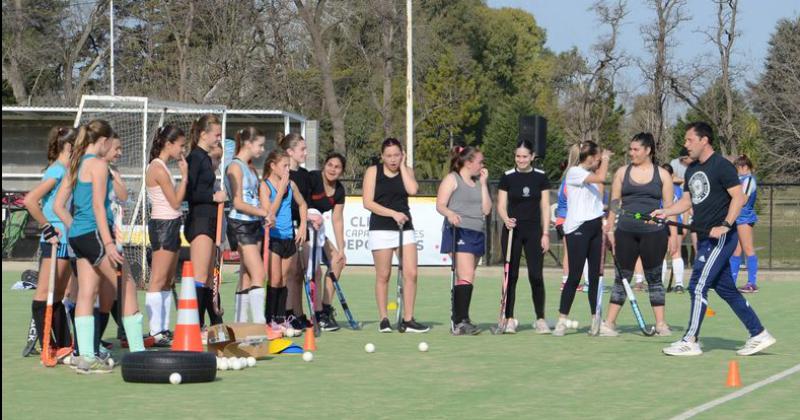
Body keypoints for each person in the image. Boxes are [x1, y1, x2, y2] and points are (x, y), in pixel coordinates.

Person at [655, 122, 775, 356]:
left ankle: (690, 340)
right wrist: (665, 212)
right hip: (705, 236)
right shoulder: (690, 170)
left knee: (697, 286)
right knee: (726, 290)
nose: (685, 144)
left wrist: (725, 225)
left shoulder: (722, 166)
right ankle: (759, 333)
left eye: (689, 140)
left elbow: (738, 198)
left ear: (704, 140)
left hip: (721, 237)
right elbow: (687, 201)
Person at [53, 120, 146, 374]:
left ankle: (86, 357)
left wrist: (76, 229)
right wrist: (107, 242)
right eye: (112, 144)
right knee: (126, 285)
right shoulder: (99, 165)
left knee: (87, 292)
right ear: (103, 141)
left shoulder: (76, 163)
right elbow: (97, 206)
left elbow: (58, 206)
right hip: (95, 235)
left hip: (79, 237)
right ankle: (138, 355)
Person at [602, 133, 677, 337]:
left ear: (648, 151)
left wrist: (674, 236)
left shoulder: (662, 175)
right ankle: (609, 323)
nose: (631, 153)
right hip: (625, 232)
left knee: (654, 278)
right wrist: (609, 229)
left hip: (654, 233)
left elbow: (669, 207)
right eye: (631, 149)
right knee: (622, 277)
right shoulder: (621, 172)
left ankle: (661, 324)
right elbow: (615, 202)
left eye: (636, 149)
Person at [363, 138, 429, 333]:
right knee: (384, 275)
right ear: (382, 156)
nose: (393, 159)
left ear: (402, 155)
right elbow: (368, 202)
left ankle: (408, 319)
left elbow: (413, 190)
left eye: (396, 155)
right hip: (381, 228)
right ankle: (384, 319)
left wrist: (404, 166)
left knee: (411, 273)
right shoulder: (373, 172)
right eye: (389, 155)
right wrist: (392, 213)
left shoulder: (406, 171)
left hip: (405, 228)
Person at [23, 126, 78, 358]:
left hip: (66, 239)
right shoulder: (56, 172)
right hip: (55, 241)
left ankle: (63, 344)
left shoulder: (68, 170)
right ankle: (47, 344)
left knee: (57, 295)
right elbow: (30, 200)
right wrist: (46, 226)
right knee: (45, 292)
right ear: (69, 146)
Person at [554, 141, 612, 336]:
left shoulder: (590, 180)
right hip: (577, 229)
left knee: (595, 276)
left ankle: (596, 319)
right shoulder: (574, 172)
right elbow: (602, 177)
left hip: (595, 227)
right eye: (597, 157)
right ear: (591, 157)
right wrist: (606, 159)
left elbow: (597, 199)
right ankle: (561, 320)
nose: (599, 160)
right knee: (574, 276)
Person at [496, 141, 551, 334]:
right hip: (512, 232)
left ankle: (540, 318)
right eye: (518, 156)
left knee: (536, 275)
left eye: (525, 156)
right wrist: (505, 219)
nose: (521, 160)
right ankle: (509, 318)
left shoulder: (541, 177)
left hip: (534, 231)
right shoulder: (507, 177)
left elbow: (545, 206)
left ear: (532, 156)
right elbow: (501, 205)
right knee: (511, 276)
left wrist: (545, 233)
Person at [437, 146, 492, 335]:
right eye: (480, 162)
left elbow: (486, 210)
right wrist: (450, 213)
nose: (482, 165)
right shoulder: (452, 179)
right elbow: (440, 205)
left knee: (468, 277)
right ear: (468, 163)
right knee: (466, 275)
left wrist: (484, 184)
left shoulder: (479, 182)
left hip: (477, 233)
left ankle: (461, 317)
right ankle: (460, 320)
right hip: (458, 231)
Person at [143, 125, 188, 346]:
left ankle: (163, 329)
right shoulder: (157, 168)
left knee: (168, 281)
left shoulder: (163, 167)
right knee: (158, 279)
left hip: (172, 224)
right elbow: (176, 201)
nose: (183, 150)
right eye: (180, 145)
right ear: (168, 144)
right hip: (162, 225)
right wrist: (185, 177)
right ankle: (156, 331)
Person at [184, 115, 226, 327]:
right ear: (203, 134)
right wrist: (212, 197)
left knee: (210, 276)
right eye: (216, 134)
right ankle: (196, 325)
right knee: (200, 275)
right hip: (199, 220)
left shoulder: (205, 158)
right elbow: (188, 192)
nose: (219, 138)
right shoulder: (195, 158)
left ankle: (215, 322)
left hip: (209, 220)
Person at [226, 127, 270, 324]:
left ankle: (240, 326)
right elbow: (238, 202)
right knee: (259, 274)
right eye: (259, 145)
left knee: (247, 275)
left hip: (253, 223)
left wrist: (263, 212)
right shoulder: (235, 167)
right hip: (240, 224)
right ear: (248, 144)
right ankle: (259, 326)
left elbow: (253, 199)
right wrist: (263, 212)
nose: (262, 150)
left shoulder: (251, 167)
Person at [263, 150, 308, 332]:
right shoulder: (265, 187)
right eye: (284, 166)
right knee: (274, 279)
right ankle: (270, 318)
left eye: (289, 166)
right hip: (274, 238)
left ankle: (281, 318)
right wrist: (280, 191)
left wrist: (303, 224)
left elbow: (303, 204)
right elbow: (269, 213)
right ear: (273, 167)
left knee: (285, 278)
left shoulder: (292, 185)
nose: (288, 169)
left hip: (289, 237)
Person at [308, 153, 349, 331]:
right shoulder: (313, 179)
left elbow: (337, 219)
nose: (333, 169)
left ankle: (324, 310)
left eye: (337, 167)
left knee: (338, 262)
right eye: (330, 165)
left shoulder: (339, 190)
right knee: (312, 270)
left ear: (342, 171)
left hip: (319, 230)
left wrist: (341, 248)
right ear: (324, 165)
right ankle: (307, 312)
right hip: (302, 226)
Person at [279, 133, 314, 332]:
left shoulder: (305, 175)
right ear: (290, 152)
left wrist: (307, 220)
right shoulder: (284, 176)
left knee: (300, 272)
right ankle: (288, 312)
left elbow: (306, 203)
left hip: (302, 227)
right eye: (302, 149)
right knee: (290, 272)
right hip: (287, 227)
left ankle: (299, 314)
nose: (306, 153)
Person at [730, 155, 759, 293]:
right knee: (736, 251)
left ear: (745, 167)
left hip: (744, 218)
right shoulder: (740, 179)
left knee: (748, 249)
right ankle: (731, 282)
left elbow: (743, 200)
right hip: (737, 218)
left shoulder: (749, 180)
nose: (736, 172)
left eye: (737, 169)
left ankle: (752, 284)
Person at [660, 163, 686, 294]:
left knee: (675, 252)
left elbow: (685, 207)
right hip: (662, 224)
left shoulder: (675, 189)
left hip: (674, 223)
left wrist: (685, 223)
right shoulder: (675, 188)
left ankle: (679, 283)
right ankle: (663, 283)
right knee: (662, 254)